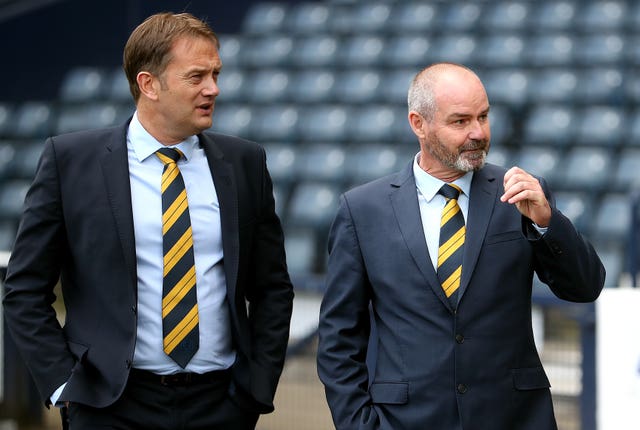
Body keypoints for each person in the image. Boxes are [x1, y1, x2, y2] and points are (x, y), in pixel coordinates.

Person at [2, 12, 294, 430]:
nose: (213, 88)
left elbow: (272, 288)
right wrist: (64, 385)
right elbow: (24, 288)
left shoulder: (245, 163)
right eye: (197, 77)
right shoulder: (69, 162)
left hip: (222, 404)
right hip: (110, 405)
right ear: (148, 84)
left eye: (216, 74)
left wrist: (257, 387)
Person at [316, 62, 605, 430]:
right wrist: (359, 424)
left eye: (483, 117)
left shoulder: (520, 192)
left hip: (515, 418)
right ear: (418, 123)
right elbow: (339, 337)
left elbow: (586, 286)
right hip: (405, 420)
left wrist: (548, 222)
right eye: (460, 121)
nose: (478, 132)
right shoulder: (362, 210)